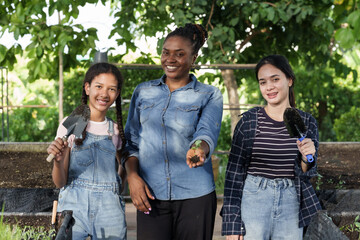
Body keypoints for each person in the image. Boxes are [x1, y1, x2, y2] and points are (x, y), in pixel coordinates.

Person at [124, 23, 223, 240]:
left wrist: (198, 148)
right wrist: (132, 177)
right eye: (166, 52)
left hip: (196, 196)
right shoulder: (143, 92)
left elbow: (206, 132)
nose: (170, 59)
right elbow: (130, 142)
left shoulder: (209, 94)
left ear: (193, 58)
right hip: (150, 194)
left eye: (180, 54)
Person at [221, 55, 322, 240]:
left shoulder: (307, 122)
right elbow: (234, 175)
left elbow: (307, 172)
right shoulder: (248, 122)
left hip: (292, 201)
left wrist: (308, 156)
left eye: (275, 79)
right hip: (254, 199)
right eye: (263, 82)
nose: (269, 87)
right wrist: (232, 225)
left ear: (289, 80)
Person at [47, 62, 127, 240]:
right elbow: (60, 182)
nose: (104, 94)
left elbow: (125, 162)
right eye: (99, 86)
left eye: (112, 89)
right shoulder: (69, 124)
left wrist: (116, 187)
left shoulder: (115, 130)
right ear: (87, 88)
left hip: (109, 211)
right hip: (74, 209)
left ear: (117, 93)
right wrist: (58, 161)